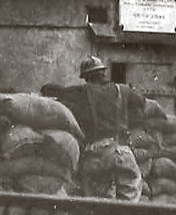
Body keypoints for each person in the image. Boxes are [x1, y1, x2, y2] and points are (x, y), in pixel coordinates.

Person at [44, 55, 157, 201]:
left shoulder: (80, 93)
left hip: (94, 154)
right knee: (130, 194)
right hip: (122, 152)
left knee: (97, 203)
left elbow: (59, 97)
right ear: (103, 73)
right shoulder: (122, 90)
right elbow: (142, 103)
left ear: (86, 77)